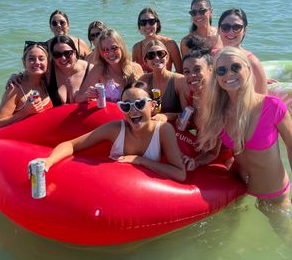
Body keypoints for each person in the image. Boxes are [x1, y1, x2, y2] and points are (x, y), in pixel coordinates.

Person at [196, 47, 292, 235]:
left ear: (247, 69)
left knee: (290, 240)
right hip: (239, 187)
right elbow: (214, 152)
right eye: (221, 70)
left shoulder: (272, 107)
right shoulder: (217, 113)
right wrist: (197, 160)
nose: (229, 74)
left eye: (235, 67)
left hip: (273, 193)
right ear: (216, 77)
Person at [37, 81, 186, 182]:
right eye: (126, 106)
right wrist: (49, 161)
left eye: (139, 104)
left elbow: (180, 173)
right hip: (113, 189)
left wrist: (140, 160)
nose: (133, 110)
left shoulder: (163, 130)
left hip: (144, 196)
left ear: (153, 106)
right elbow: (71, 145)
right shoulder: (115, 129)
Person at [0, 42, 53, 129]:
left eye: (41, 59)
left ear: (47, 62)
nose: (37, 62)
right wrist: (25, 112)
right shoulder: (15, 88)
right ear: (24, 62)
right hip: (22, 139)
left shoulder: (46, 82)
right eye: (31, 59)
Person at [75, 29, 143, 103]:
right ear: (100, 52)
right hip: (111, 114)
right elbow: (78, 98)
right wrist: (88, 94)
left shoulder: (136, 68)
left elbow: (145, 96)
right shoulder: (99, 70)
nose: (110, 53)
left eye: (114, 48)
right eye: (105, 50)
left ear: (121, 47)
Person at [214, 8, 268, 94]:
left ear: (244, 31)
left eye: (236, 27)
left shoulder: (253, 63)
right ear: (218, 30)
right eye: (225, 27)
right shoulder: (213, 56)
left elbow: (261, 100)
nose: (231, 32)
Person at [138, 40, 186, 122]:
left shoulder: (179, 80)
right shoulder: (144, 80)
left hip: (174, 130)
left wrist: (165, 116)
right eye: (151, 55)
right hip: (151, 128)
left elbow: (186, 114)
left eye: (160, 54)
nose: (156, 58)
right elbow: (137, 109)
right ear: (146, 61)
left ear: (167, 58)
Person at [132, 7, 182, 73]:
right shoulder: (137, 48)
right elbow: (134, 74)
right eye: (143, 22)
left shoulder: (170, 44)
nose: (147, 26)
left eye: (151, 21)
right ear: (139, 26)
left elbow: (180, 71)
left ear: (157, 24)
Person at [48, 35, 92, 106]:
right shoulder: (48, 72)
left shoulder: (90, 70)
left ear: (74, 53)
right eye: (57, 54)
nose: (63, 58)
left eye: (67, 53)